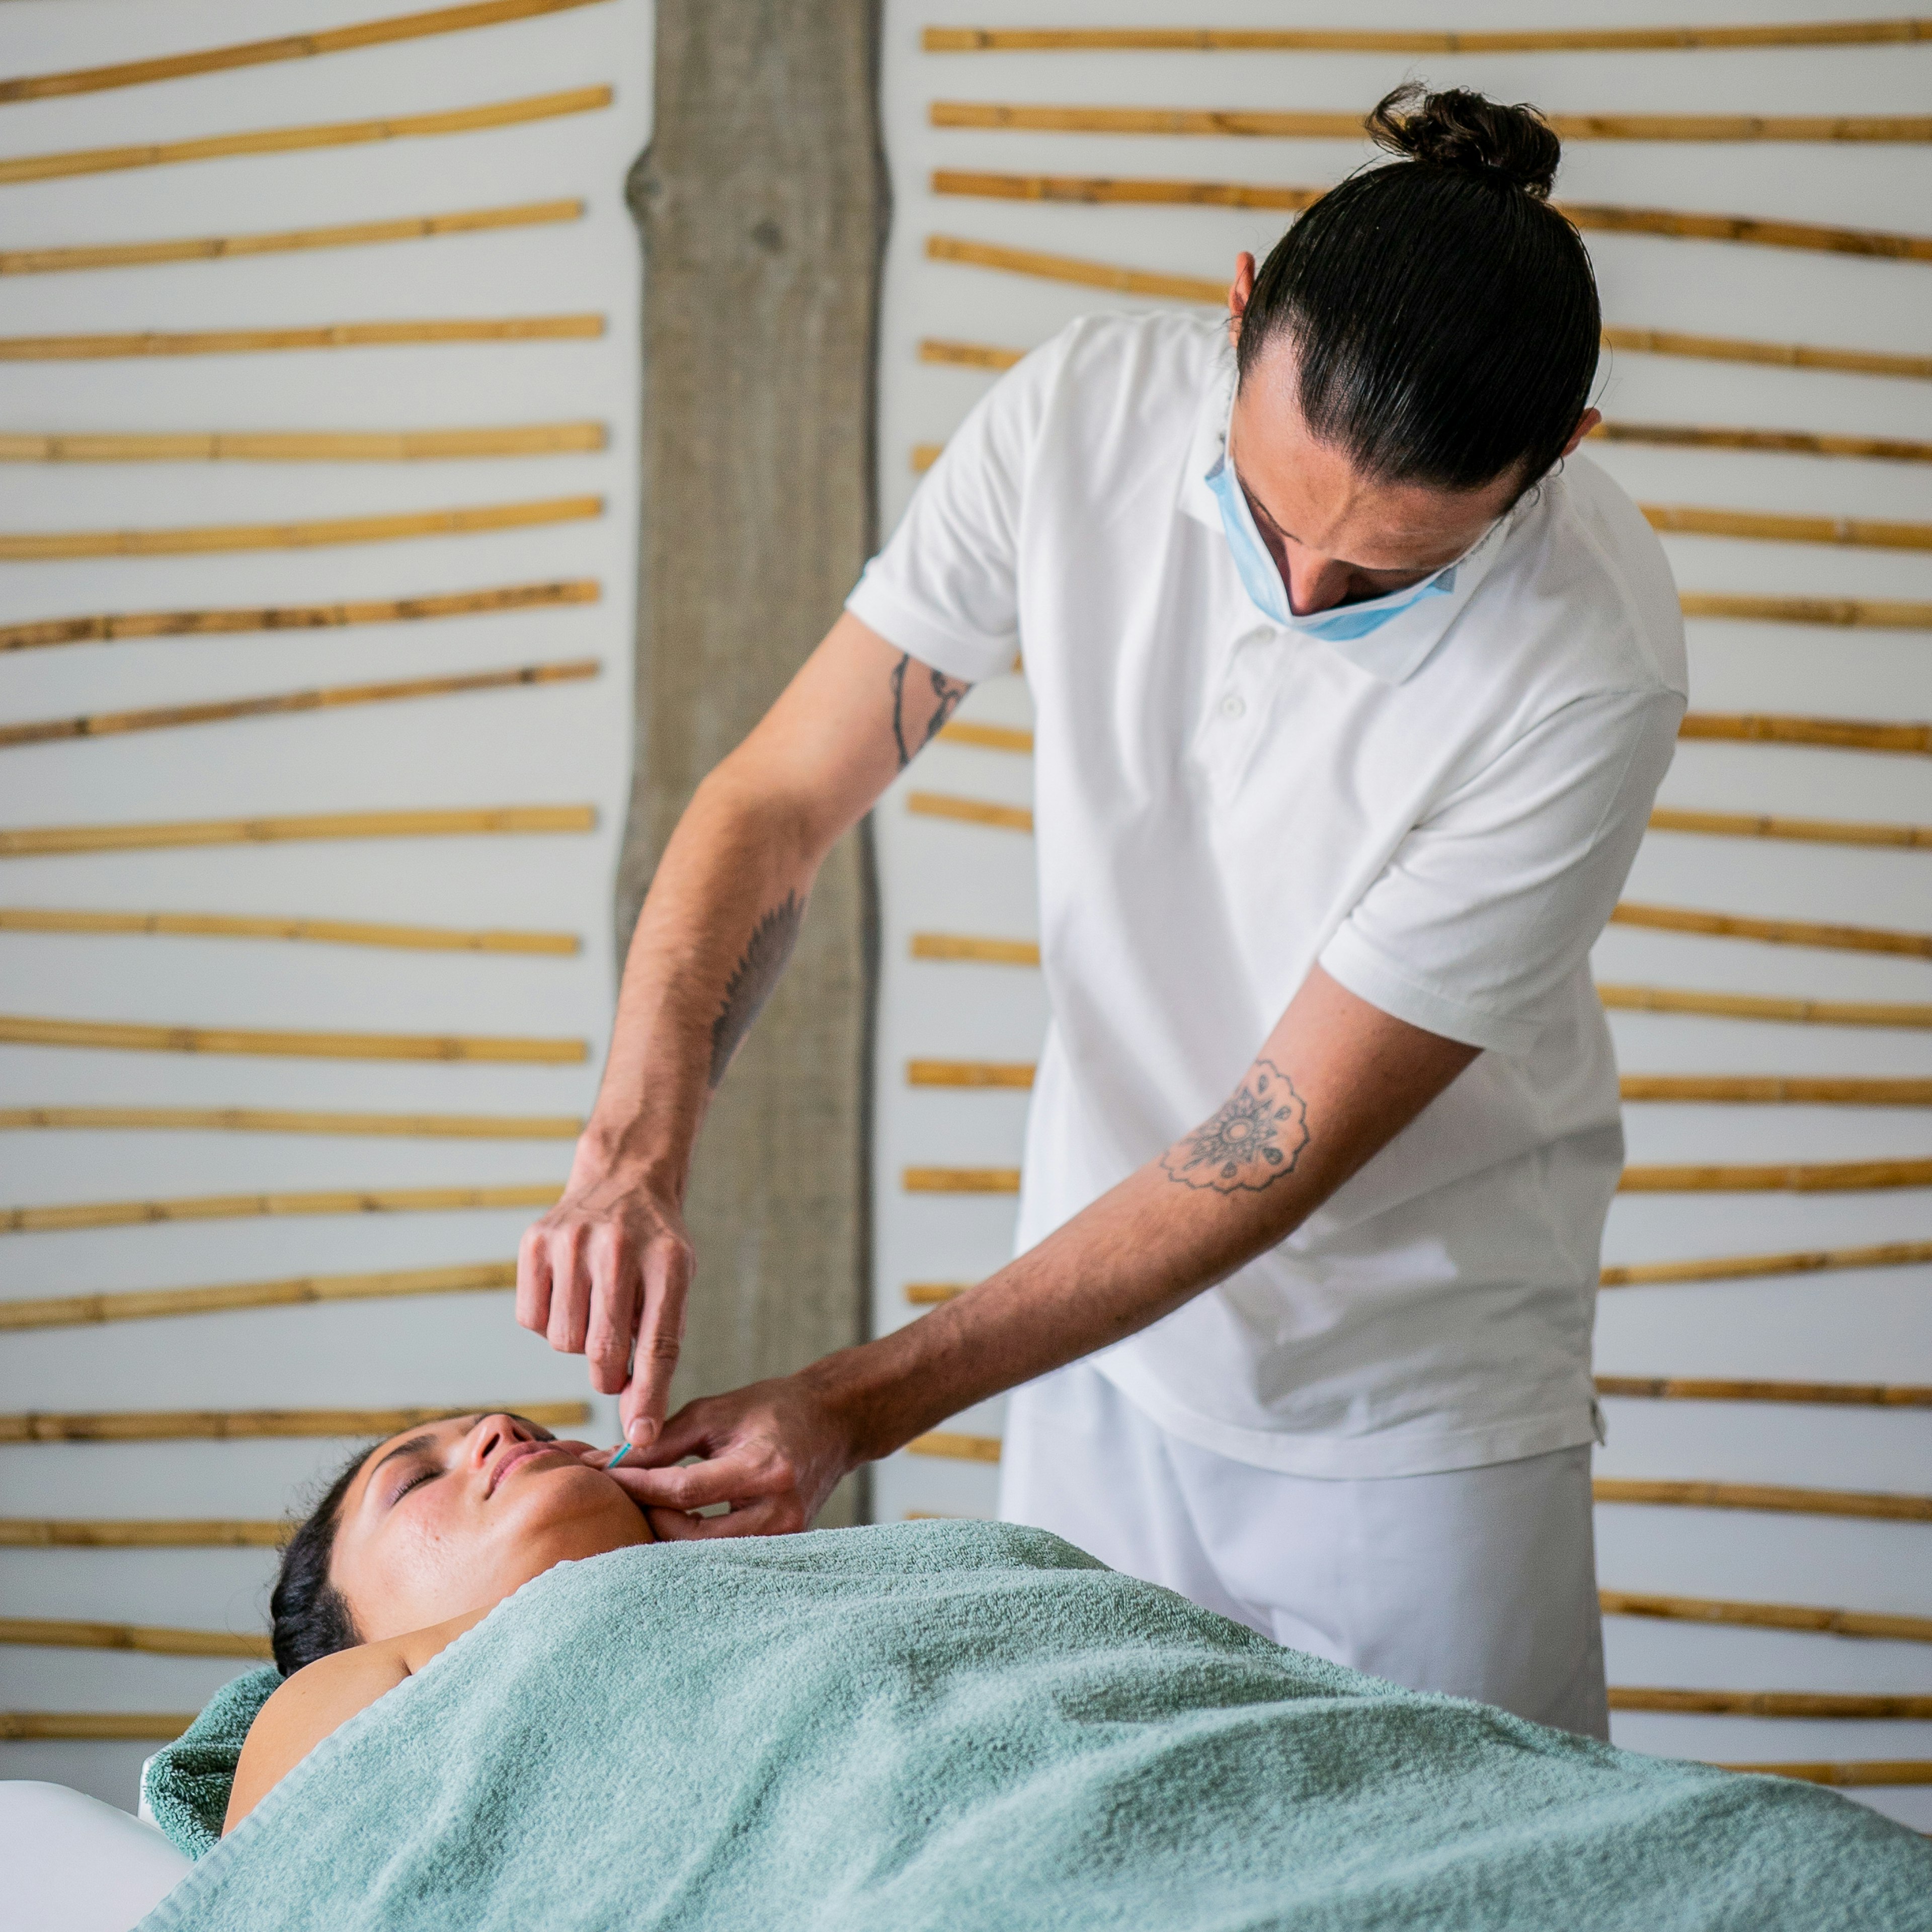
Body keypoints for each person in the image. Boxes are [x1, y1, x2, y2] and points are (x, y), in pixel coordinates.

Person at [516, 85, 1688, 1739]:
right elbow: (779, 797)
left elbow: (1275, 1141)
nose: (1302, 594)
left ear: (1556, 457)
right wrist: (630, 1154)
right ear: (1237, 314)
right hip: (1089, 1352)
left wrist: (853, 1404)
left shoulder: (1591, 663)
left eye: (1384, 574)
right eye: (1271, 516)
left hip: (1412, 1404)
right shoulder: (1079, 411)